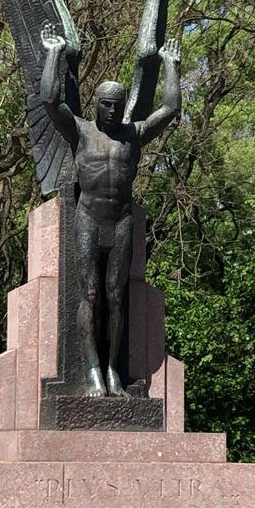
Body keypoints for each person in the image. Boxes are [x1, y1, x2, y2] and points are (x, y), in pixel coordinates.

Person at [40, 22, 182, 398]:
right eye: (107, 104)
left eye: (118, 106)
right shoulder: (81, 131)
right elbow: (50, 101)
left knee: (116, 297)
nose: (113, 110)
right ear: (96, 104)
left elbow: (170, 108)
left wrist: (170, 64)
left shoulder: (133, 134)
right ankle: (92, 371)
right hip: (88, 218)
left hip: (120, 222)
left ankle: (112, 370)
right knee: (90, 294)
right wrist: (53, 54)